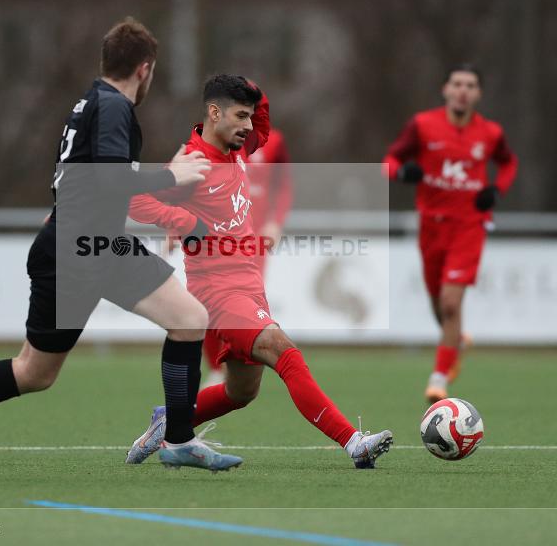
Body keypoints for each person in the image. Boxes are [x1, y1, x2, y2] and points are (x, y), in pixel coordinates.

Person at [0, 18, 243, 473]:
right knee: (34, 372)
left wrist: (163, 182)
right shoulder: (114, 107)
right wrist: (171, 177)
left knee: (189, 318)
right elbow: (109, 180)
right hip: (77, 252)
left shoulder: (90, 103)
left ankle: (177, 440)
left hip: (93, 245)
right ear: (145, 68)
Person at [125, 75, 392, 469]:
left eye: (249, 116)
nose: (250, 126)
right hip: (216, 293)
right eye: (240, 116)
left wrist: (247, 87)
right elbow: (134, 203)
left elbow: (263, 120)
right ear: (214, 113)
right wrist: (180, 219)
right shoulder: (192, 162)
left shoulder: (236, 146)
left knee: (240, 392)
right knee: (285, 352)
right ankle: (354, 443)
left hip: (249, 286)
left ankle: (170, 419)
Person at [382, 63, 518, 403]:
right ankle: (455, 342)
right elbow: (389, 161)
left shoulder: (490, 133)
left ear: (478, 93)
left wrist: (496, 190)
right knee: (438, 305)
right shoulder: (423, 125)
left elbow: (509, 163)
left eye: (470, 85)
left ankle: (439, 377)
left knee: (450, 302)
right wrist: (403, 173)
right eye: (457, 84)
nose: (462, 90)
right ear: (445, 89)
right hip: (431, 226)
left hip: (469, 226)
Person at [200, 127, 293, 387]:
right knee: (210, 304)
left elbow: (283, 186)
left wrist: (276, 222)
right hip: (219, 237)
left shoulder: (274, 142)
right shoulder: (216, 138)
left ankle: (242, 370)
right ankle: (217, 369)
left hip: (255, 240)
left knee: (247, 304)